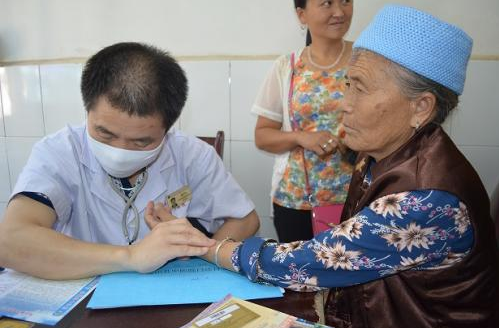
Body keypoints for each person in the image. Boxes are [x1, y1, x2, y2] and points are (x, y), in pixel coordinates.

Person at [148, 5, 499, 328]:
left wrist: (206, 246)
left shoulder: (427, 199)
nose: (343, 105)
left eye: (359, 89)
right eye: (347, 84)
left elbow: (313, 260)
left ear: (421, 107)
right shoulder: (377, 154)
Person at [0, 42, 260, 280]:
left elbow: (245, 220)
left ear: (167, 130)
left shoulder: (192, 154)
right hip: (83, 292)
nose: (118, 151)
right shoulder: (59, 152)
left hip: (167, 292)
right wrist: (131, 257)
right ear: (87, 109)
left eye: (141, 142)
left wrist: (202, 250)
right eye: (104, 133)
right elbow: (10, 241)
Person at [251, 0, 355, 242]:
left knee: (354, 277)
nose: (339, 12)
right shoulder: (286, 67)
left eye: (346, 1)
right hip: (296, 201)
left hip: (358, 198)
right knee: (300, 276)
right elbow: (262, 135)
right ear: (302, 15)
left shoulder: (367, 61)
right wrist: (300, 137)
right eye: (326, 3)